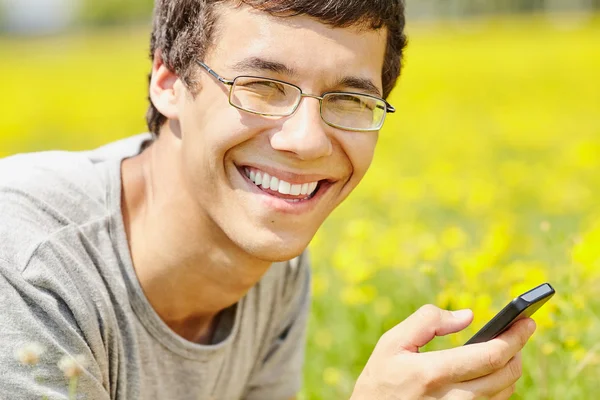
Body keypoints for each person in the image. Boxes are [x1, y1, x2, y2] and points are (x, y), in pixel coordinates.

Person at [0, 1, 536, 399]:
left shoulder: (272, 260)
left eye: (350, 100)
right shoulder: (26, 265)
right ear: (167, 82)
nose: (305, 140)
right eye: (260, 86)